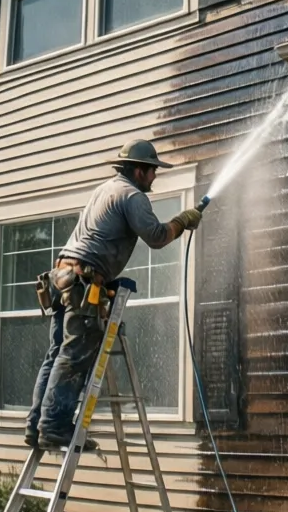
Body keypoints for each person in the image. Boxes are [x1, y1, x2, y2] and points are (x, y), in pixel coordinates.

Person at [25, 140, 202, 448]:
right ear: (138, 171)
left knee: (56, 354)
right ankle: (53, 426)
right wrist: (182, 221)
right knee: (73, 357)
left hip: (63, 278)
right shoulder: (132, 195)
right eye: (152, 171)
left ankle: (35, 424)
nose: (155, 177)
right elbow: (157, 237)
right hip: (82, 283)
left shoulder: (105, 189)